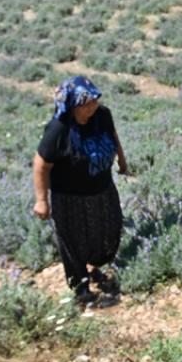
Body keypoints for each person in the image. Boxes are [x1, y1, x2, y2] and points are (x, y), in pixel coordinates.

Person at [33, 76, 129, 305]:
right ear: (72, 106)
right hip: (69, 196)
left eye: (94, 101)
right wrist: (41, 200)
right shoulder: (59, 128)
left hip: (102, 189)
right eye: (86, 103)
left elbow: (113, 137)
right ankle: (80, 287)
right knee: (73, 241)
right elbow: (40, 165)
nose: (92, 107)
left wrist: (122, 161)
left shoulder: (102, 115)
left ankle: (94, 267)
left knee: (108, 232)